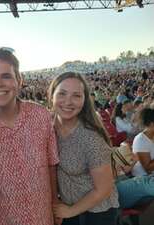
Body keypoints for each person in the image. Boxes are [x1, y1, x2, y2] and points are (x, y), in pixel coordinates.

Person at [0, 47, 59, 225]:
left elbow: (51, 164)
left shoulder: (41, 115)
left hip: (43, 219)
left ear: (19, 80)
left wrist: (55, 204)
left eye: (6, 76)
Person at [48, 72, 119, 225]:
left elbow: (104, 188)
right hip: (69, 205)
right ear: (51, 95)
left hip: (96, 212)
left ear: (84, 100)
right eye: (62, 93)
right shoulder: (47, 127)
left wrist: (69, 211)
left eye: (76, 96)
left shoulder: (91, 138)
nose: (68, 102)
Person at [115, 107, 154, 208]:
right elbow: (148, 169)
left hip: (144, 179)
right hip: (141, 178)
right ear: (151, 124)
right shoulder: (141, 140)